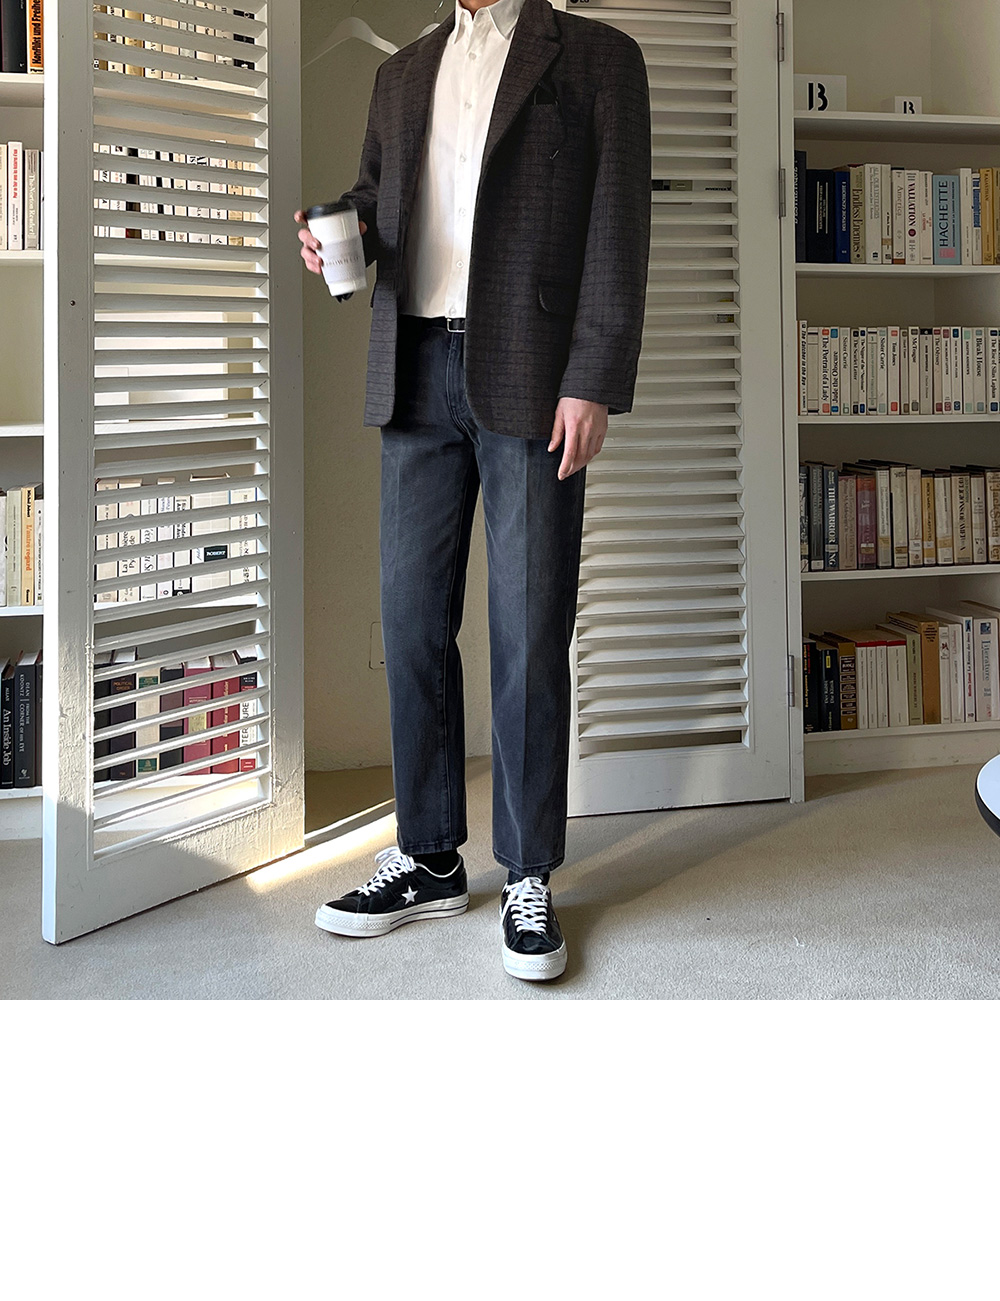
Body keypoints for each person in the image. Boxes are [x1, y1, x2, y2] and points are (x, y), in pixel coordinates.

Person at [295, 0, 651, 982]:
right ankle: (430, 856)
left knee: (529, 627)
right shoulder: (401, 72)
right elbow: (382, 200)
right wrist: (337, 232)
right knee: (410, 619)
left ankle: (529, 870)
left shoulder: (598, 59)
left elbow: (618, 226)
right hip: (412, 370)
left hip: (533, 377)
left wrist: (593, 378)